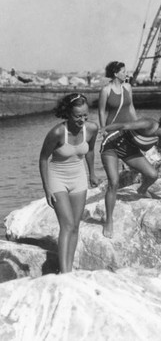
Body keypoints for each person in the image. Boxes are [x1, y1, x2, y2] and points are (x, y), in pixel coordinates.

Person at [100, 110, 161, 238]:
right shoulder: (150, 124)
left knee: (153, 175)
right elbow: (125, 125)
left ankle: (142, 190)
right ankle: (109, 220)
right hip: (112, 144)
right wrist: (105, 129)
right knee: (114, 182)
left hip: (129, 150)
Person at [39, 93, 99, 273]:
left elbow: (89, 151)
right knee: (66, 225)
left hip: (78, 177)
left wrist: (92, 174)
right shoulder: (57, 132)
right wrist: (46, 188)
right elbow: (43, 159)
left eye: (85, 115)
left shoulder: (92, 129)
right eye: (77, 116)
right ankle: (64, 273)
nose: (82, 119)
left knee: (75, 225)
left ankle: (69, 269)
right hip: (58, 178)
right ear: (68, 113)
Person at [98, 61, 137, 128]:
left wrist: (137, 125)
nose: (126, 74)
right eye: (123, 72)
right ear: (116, 74)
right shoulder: (106, 90)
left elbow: (131, 108)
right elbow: (101, 112)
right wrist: (103, 130)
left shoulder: (128, 87)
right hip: (112, 127)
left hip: (128, 127)